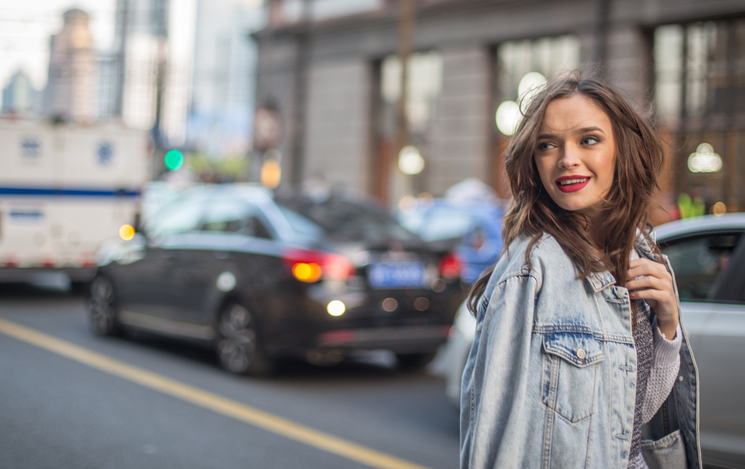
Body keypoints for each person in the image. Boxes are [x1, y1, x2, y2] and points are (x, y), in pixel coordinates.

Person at [459, 72, 701, 469]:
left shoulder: (639, 250)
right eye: (547, 145)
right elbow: (494, 447)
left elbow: (629, 418)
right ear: (533, 162)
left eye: (588, 139)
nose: (567, 158)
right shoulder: (531, 272)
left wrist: (667, 329)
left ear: (621, 150)